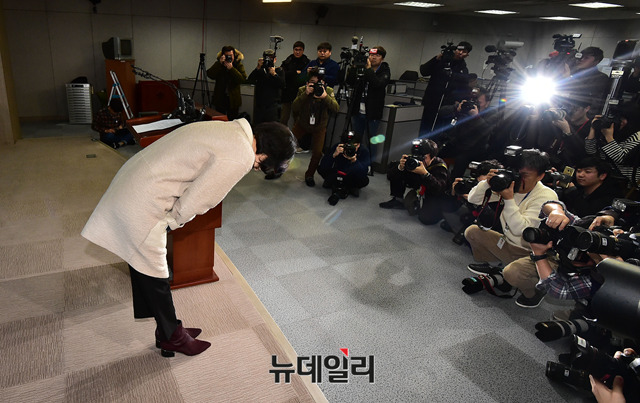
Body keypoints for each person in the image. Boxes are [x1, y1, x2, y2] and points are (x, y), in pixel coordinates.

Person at [81, 119, 295, 357]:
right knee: (155, 273)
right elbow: (201, 197)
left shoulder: (230, 129)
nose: (257, 168)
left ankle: (167, 329)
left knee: (141, 262)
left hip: (136, 181)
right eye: (265, 164)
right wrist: (173, 221)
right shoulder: (241, 154)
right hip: (144, 199)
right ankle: (172, 337)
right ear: (269, 154)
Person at [464, 149, 559, 308]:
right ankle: (498, 267)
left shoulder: (546, 196)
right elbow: (473, 199)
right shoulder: (510, 184)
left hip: (534, 254)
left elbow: (520, 230)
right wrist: (486, 183)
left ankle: (534, 291)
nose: (518, 178)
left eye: (525, 175)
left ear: (540, 176)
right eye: (516, 172)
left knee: (512, 273)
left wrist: (508, 199)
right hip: (509, 244)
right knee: (473, 232)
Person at [379, 139, 449, 225]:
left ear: (433, 157)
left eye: (424, 158)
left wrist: (426, 174)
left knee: (426, 219)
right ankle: (398, 200)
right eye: (417, 156)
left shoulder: (439, 166)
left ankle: (439, 211)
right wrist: (400, 167)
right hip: (417, 184)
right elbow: (390, 176)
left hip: (431, 191)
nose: (420, 161)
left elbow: (439, 188)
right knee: (398, 172)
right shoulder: (411, 160)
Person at [291, 67, 340, 187]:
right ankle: (278, 168)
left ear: (324, 83)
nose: (316, 85)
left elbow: (336, 109)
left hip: (319, 126)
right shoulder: (302, 90)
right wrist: (305, 94)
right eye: (313, 82)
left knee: (317, 153)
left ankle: (309, 175)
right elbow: (294, 108)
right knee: (286, 143)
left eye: (320, 83)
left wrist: (325, 97)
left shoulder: (328, 91)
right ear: (307, 83)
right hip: (302, 124)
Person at [437, 87, 497, 179]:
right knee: (436, 154)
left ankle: (454, 185)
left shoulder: (492, 113)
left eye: (479, 103)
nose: (475, 105)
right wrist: (456, 108)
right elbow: (441, 112)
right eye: (473, 101)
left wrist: (476, 117)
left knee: (461, 160)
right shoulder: (465, 108)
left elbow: (486, 130)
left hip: (476, 148)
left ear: (487, 103)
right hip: (456, 144)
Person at [345, 46, 391, 162]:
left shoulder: (384, 70)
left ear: (382, 58)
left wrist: (369, 69)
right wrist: (354, 67)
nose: (373, 57)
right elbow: (350, 82)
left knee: (371, 141)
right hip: (357, 110)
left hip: (372, 112)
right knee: (356, 140)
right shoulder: (362, 68)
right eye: (371, 55)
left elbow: (378, 84)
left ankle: (369, 164)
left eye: (377, 55)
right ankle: (354, 161)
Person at [418, 41, 472, 136]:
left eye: (464, 51)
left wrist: (457, 102)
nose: (460, 53)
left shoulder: (463, 69)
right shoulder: (442, 61)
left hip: (447, 107)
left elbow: (464, 89)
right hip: (430, 102)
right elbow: (423, 71)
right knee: (424, 130)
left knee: (438, 133)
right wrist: (436, 59)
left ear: (467, 55)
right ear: (455, 49)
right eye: (459, 50)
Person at [318, 131, 371, 205]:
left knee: (364, 180)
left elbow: (363, 173)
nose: (351, 148)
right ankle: (343, 186)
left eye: (355, 145)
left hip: (352, 176)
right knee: (321, 169)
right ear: (343, 144)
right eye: (348, 145)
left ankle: (348, 187)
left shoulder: (363, 151)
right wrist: (333, 155)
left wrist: (354, 161)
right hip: (338, 173)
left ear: (359, 145)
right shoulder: (338, 147)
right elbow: (323, 166)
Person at [206, 45, 247, 120]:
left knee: (232, 121)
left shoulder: (238, 65)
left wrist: (232, 69)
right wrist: (219, 63)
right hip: (220, 98)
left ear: (234, 55)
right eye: (227, 56)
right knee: (219, 120)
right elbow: (210, 74)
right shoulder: (219, 65)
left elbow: (242, 79)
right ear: (223, 56)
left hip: (233, 100)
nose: (229, 57)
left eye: (231, 55)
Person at [246, 49, 285, 125]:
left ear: (275, 59)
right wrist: (258, 68)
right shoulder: (260, 71)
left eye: (271, 58)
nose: (268, 60)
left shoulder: (279, 70)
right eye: (267, 58)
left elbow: (282, 84)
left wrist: (274, 74)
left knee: (271, 127)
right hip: (260, 105)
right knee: (258, 127)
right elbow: (250, 80)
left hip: (272, 105)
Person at [280, 41, 310, 127]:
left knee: (298, 119)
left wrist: (293, 74)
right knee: (283, 118)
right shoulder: (287, 61)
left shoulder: (307, 62)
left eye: (300, 50)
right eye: (296, 50)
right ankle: (282, 134)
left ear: (303, 51)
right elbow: (282, 74)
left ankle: (297, 135)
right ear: (293, 50)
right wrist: (295, 73)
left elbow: (305, 77)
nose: (297, 52)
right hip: (287, 93)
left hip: (299, 93)